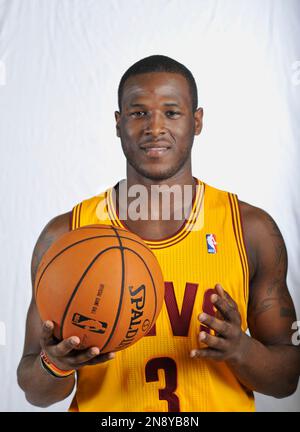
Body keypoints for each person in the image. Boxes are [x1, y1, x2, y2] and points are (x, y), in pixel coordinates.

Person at [17, 55, 299, 412]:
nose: (154, 127)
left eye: (171, 112)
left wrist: (241, 350)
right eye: (138, 113)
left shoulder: (249, 229)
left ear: (197, 122)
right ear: (118, 124)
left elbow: (287, 379)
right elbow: (35, 391)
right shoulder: (67, 235)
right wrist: (55, 363)